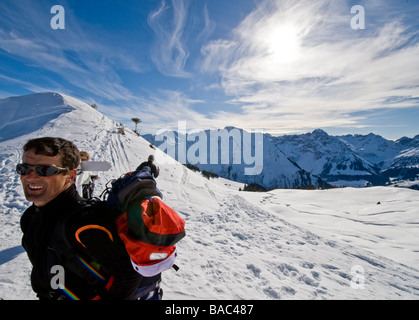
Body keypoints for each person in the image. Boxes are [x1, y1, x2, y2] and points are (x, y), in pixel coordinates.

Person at [18, 137, 161, 300]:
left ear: (70, 176)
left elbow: (129, 273)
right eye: (24, 168)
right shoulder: (30, 218)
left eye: (44, 170)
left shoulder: (84, 221)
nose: (30, 177)